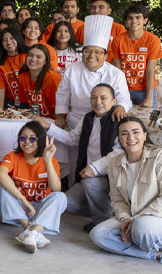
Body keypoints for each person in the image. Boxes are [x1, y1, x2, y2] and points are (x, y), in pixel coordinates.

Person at [89, 117, 162, 267]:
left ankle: (142, 240)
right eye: (124, 133)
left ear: (145, 135)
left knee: (141, 227)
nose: (130, 138)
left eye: (136, 132)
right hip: (135, 222)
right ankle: (158, 254)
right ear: (119, 138)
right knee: (98, 234)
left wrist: (135, 220)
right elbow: (116, 199)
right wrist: (125, 219)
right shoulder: (115, 163)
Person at [39, 83, 121, 231]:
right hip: (88, 177)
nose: (98, 102)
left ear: (114, 101)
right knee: (67, 203)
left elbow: (117, 154)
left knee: (91, 183)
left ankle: (101, 223)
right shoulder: (88, 118)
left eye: (103, 98)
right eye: (94, 98)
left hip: (108, 178)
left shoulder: (119, 121)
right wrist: (48, 127)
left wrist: (93, 168)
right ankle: (108, 209)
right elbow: (71, 139)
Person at [0, 122, 66, 253]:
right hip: (18, 210)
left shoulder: (51, 161)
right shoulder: (13, 156)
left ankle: (32, 232)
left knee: (61, 197)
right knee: (0, 183)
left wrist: (47, 160)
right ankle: (28, 227)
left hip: (39, 212)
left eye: (32, 139)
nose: (27, 142)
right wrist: (23, 200)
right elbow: (0, 174)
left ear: (40, 140)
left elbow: (56, 188)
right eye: (23, 138)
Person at [55, 14, 131, 130]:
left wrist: (120, 107)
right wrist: (60, 116)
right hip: (76, 121)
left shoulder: (116, 74)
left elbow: (123, 97)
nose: (91, 56)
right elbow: (62, 94)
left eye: (97, 52)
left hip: (105, 122)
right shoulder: (72, 69)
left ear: (105, 56)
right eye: (88, 51)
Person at [109, 4, 162, 106]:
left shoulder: (153, 40)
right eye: (130, 18)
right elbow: (118, 70)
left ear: (145, 20)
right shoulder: (118, 40)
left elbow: (150, 70)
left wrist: (149, 98)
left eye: (138, 17)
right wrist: (119, 91)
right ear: (126, 21)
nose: (134, 21)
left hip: (145, 90)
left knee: (149, 116)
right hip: (124, 89)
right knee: (121, 116)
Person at [16, 44, 62, 117]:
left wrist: (49, 122)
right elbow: (33, 103)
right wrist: (37, 117)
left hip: (56, 119)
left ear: (45, 62)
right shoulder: (22, 77)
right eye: (30, 55)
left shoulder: (52, 78)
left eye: (38, 57)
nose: (33, 59)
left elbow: (60, 105)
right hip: (39, 118)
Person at [0, 27, 28, 109]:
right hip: (10, 103)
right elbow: (0, 87)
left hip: (31, 101)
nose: (9, 42)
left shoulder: (28, 56)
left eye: (12, 38)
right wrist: (0, 108)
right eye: (5, 40)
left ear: (18, 39)